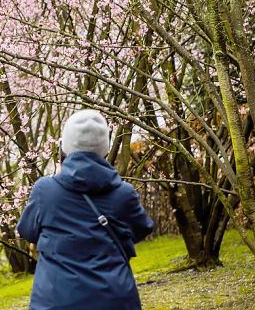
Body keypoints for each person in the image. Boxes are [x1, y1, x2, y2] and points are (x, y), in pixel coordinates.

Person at [17, 109, 155, 310]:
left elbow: (27, 231)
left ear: (65, 145)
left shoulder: (45, 191)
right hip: (113, 299)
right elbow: (142, 229)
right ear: (105, 148)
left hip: (55, 300)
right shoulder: (124, 194)